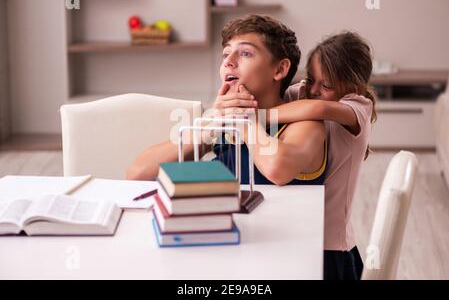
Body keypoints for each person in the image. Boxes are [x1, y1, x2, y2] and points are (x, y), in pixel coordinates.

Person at [127, 14, 328, 187]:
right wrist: (212, 121)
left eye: (245, 53)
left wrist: (247, 121)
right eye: (226, 54)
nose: (229, 61)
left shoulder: (306, 125)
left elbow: (278, 170)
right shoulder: (224, 125)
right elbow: (139, 174)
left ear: (279, 69)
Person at [241, 31, 377, 280]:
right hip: (296, 237)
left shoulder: (359, 107)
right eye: (311, 79)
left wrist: (254, 119)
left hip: (330, 247)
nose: (313, 90)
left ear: (353, 87)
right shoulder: (304, 92)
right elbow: (274, 97)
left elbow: (319, 108)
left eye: (325, 85)